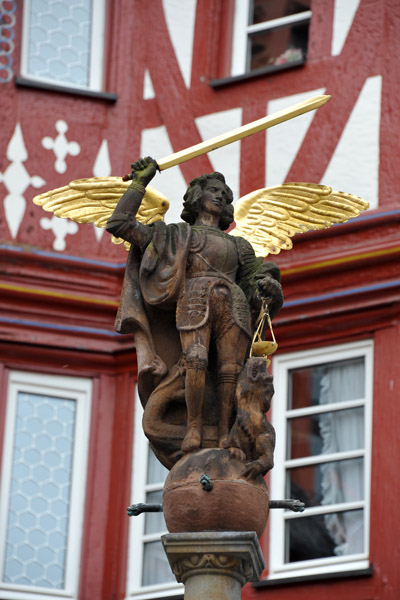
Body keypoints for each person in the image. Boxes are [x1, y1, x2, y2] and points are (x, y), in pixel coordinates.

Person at [106, 157, 283, 454]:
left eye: (225, 196)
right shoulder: (175, 235)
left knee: (230, 369)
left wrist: (270, 289)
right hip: (195, 299)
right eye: (213, 190)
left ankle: (226, 431)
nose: (220, 196)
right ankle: (193, 426)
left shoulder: (240, 246)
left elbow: (254, 286)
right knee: (196, 361)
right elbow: (120, 223)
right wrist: (140, 182)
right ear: (196, 197)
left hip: (234, 304)